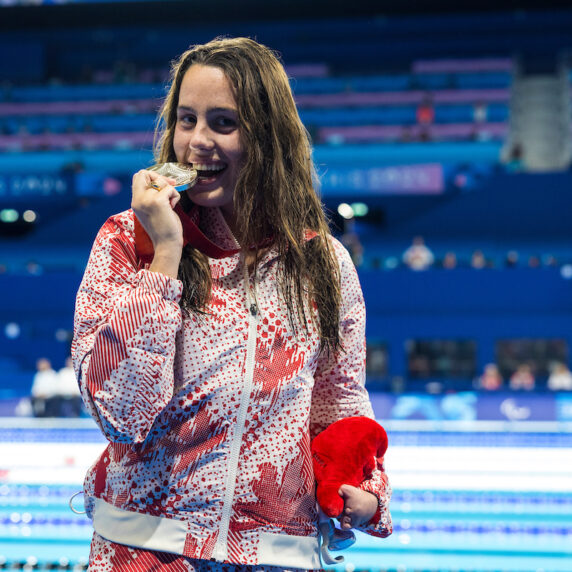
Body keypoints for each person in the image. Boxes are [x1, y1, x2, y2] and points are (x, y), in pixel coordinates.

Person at [72, 37, 392, 571]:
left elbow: (339, 403)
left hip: (280, 556)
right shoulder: (128, 243)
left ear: (269, 136)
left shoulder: (322, 263)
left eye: (224, 123)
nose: (197, 142)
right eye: (186, 119)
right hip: (146, 552)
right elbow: (121, 414)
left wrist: (364, 488)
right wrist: (167, 254)